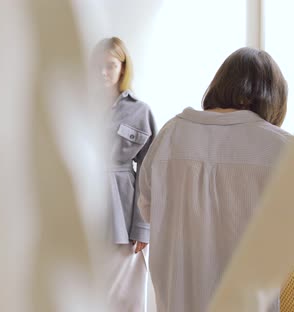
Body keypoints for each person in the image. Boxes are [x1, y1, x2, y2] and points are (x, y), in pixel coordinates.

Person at [138, 47, 290, 312]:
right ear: (272, 96)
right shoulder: (281, 148)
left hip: (177, 299)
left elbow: (148, 209)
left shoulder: (170, 135)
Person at [94, 36, 157, 311]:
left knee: (125, 298)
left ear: (123, 67)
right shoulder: (78, 104)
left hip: (123, 215)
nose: (103, 72)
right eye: (98, 65)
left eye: (110, 65)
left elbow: (149, 171)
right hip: (86, 205)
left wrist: (143, 226)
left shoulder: (140, 111)